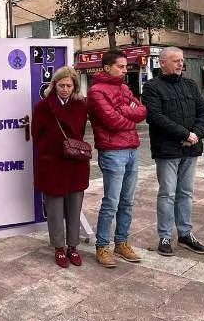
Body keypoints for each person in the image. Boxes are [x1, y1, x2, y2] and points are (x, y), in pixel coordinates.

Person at [142, 47, 204, 256]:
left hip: (191, 148)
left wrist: (196, 135)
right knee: (167, 194)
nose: (180, 64)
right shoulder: (152, 87)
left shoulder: (191, 85)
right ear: (162, 63)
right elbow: (155, 117)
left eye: (182, 60)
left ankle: (185, 233)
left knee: (186, 193)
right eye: (175, 60)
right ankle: (164, 236)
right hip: (167, 150)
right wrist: (184, 134)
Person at [87, 51, 147, 267]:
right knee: (111, 202)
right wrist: (128, 115)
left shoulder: (124, 88)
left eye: (125, 67)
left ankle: (121, 242)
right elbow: (111, 121)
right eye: (120, 66)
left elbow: (142, 111)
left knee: (127, 201)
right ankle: (102, 246)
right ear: (106, 67)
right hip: (112, 151)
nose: (124, 70)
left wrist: (124, 111)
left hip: (132, 149)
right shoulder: (96, 91)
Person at [32, 66, 90, 268]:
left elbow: (81, 131)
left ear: (74, 87)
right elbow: (36, 135)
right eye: (61, 85)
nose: (64, 89)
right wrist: (50, 151)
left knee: (75, 207)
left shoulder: (81, 106)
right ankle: (58, 248)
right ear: (54, 85)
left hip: (76, 163)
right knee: (55, 209)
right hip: (53, 163)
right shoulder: (42, 107)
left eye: (68, 85)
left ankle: (73, 246)